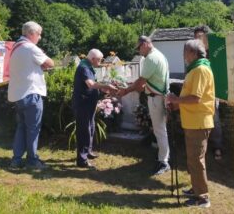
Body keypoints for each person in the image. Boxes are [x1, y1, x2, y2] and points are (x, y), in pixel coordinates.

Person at [166, 39, 215, 208]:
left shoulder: (200, 70)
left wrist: (175, 99)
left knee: (196, 160)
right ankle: (196, 189)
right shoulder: (195, 69)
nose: (183, 56)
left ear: (193, 53)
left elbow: (196, 98)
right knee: (193, 159)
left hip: (199, 122)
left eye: (185, 52)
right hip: (193, 121)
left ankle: (202, 197)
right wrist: (176, 105)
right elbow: (191, 96)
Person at [118, 36, 171, 176]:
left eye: (140, 47)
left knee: (160, 130)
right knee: (160, 129)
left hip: (155, 98)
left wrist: (126, 90)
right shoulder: (159, 55)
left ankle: (163, 161)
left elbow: (141, 83)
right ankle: (163, 157)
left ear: (146, 44)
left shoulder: (151, 58)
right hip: (160, 97)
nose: (139, 51)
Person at [8, 21, 54, 170]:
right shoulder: (31, 48)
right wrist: (43, 60)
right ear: (31, 33)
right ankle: (32, 160)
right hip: (31, 93)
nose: (40, 37)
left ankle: (16, 160)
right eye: (39, 34)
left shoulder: (16, 47)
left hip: (18, 94)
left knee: (21, 127)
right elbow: (50, 63)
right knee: (33, 129)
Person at [72, 49, 118, 168]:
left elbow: (93, 84)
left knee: (91, 128)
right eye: (99, 59)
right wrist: (106, 86)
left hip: (88, 103)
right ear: (93, 59)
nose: (101, 62)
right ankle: (82, 160)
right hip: (83, 104)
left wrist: (102, 88)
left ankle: (88, 152)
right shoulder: (84, 68)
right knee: (84, 131)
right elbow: (91, 85)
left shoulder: (88, 65)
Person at [194, 25, 223, 160]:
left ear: (207, 37)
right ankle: (201, 148)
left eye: (200, 37)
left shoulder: (215, 53)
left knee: (214, 120)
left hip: (212, 92)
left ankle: (217, 147)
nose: (197, 40)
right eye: (195, 38)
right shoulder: (194, 55)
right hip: (197, 92)